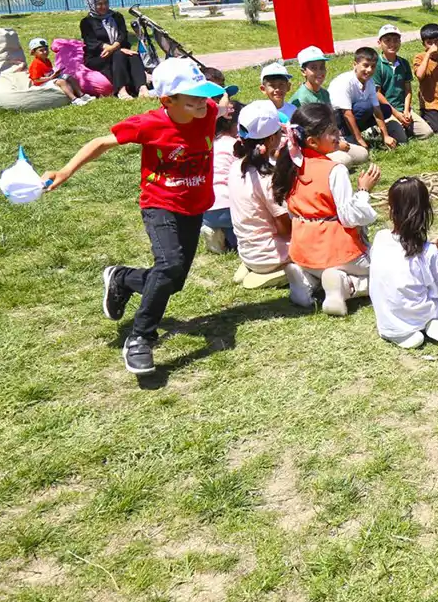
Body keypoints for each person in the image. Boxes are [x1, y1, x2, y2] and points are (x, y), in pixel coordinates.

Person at [40, 59, 227, 375]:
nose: (201, 101)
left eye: (202, 94)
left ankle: (121, 278)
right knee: (169, 265)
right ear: (167, 100)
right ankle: (141, 338)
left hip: (194, 206)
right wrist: (65, 171)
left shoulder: (207, 110)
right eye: (192, 97)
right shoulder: (150, 124)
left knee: (173, 281)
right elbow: (101, 142)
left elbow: (220, 102)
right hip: (160, 204)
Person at [272, 103, 381, 317]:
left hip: (303, 251)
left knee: (319, 267)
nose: (338, 134)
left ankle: (305, 279)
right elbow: (349, 217)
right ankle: (345, 285)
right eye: (332, 131)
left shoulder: (290, 166)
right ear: (312, 141)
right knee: (384, 271)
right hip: (337, 251)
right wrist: (363, 191)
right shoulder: (335, 170)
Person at [368, 177, 438, 356]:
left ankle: (404, 334)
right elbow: (435, 291)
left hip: (387, 322)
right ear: (426, 210)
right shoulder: (427, 252)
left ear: (390, 210)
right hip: (420, 314)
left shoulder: (380, 237)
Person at [228, 100, 313, 307]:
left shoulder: (236, 166)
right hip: (268, 255)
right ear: (274, 138)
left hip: (248, 250)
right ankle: (281, 272)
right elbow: (285, 229)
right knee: (321, 238)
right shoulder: (267, 178)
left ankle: (250, 267)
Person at [288, 47, 368, 168]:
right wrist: (336, 144)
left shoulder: (324, 93)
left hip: (330, 139)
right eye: (313, 68)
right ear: (303, 72)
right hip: (315, 145)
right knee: (345, 160)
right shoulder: (301, 98)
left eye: (322, 67)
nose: (319, 72)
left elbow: (331, 120)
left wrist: (337, 139)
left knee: (363, 154)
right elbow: (310, 133)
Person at [79, 0, 148, 99]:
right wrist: (113, 49)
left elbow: (123, 34)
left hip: (118, 49)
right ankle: (121, 90)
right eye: (99, 4)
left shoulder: (117, 16)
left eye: (106, 3)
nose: (104, 6)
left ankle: (142, 88)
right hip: (97, 55)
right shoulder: (86, 22)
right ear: (92, 5)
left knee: (133, 55)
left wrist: (114, 47)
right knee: (119, 55)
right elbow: (91, 42)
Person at [330, 47, 402, 151]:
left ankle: (363, 132)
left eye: (373, 66)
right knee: (365, 106)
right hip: (336, 119)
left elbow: (377, 109)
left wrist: (385, 136)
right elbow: (347, 114)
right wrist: (359, 140)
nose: (369, 70)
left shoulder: (370, 82)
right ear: (355, 65)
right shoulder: (345, 82)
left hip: (355, 112)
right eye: (366, 65)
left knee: (385, 109)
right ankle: (345, 135)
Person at [373, 24, 433, 141]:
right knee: (401, 140)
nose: (392, 44)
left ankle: (402, 126)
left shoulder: (403, 63)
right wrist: (396, 114)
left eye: (396, 40)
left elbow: (408, 90)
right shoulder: (377, 65)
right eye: (387, 40)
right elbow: (377, 93)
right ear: (379, 43)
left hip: (403, 109)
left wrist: (406, 110)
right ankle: (376, 128)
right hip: (386, 111)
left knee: (427, 133)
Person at [201, 106, 239, 255]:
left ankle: (212, 229)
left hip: (207, 207)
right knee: (239, 235)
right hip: (230, 206)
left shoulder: (209, 144)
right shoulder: (236, 145)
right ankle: (231, 240)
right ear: (234, 125)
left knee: (223, 224)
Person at [27, 37, 92, 105]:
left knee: (69, 77)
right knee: (61, 82)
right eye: (41, 50)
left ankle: (82, 95)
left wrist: (55, 74)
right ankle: (74, 99)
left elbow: (49, 72)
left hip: (50, 78)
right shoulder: (35, 64)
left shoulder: (47, 60)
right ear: (33, 52)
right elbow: (36, 79)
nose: (45, 52)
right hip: (41, 84)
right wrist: (50, 78)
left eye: (46, 49)